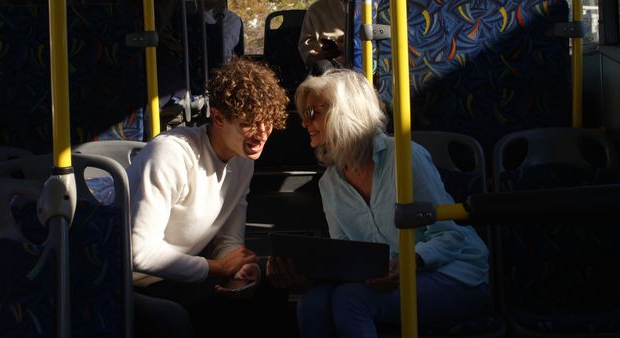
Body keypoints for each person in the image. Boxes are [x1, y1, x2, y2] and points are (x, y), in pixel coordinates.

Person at [267, 68, 490, 338]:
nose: (304, 123)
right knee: (311, 302)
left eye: (313, 113)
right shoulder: (330, 183)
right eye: (304, 114)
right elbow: (346, 253)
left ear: (344, 113)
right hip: (385, 276)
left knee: (351, 300)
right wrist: (311, 276)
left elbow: (450, 236)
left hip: (455, 273)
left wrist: (410, 262)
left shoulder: (405, 158)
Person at [129, 57, 292, 337]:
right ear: (217, 117)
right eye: (249, 124)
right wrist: (217, 268)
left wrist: (241, 270)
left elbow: (229, 242)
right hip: (133, 285)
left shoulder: (243, 161)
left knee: (269, 291)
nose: (262, 134)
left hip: (182, 276)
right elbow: (138, 253)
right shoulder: (171, 155)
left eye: (268, 123)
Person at [298, 0, 346, 70]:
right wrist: (322, 56)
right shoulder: (316, 10)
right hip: (335, 72)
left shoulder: (366, 7)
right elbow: (308, 55)